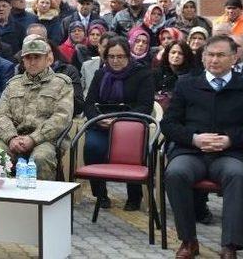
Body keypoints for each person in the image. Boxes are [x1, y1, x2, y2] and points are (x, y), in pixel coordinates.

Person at [161, 35, 243, 259]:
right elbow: (168, 124)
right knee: (175, 173)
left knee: (238, 175)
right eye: (210, 55)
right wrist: (194, 138)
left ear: (234, 57)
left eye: (220, 55)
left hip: (229, 154)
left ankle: (230, 245)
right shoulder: (187, 84)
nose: (214, 60)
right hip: (191, 152)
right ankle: (189, 241)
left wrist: (230, 139)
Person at [83, 36, 154, 211]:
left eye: (120, 56)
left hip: (130, 125)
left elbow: (145, 106)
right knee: (92, 147)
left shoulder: (143, 74)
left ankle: (134, 196)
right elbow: (89, 103)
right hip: (102, 123)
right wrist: (99, 119)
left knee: (132, 150)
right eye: (111, 57)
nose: (115, 61)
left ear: (128, 57)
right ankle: (101, 194)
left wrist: (120, 121)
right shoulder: (101, 74)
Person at [0, 37, 74, 180]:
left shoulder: (61, 84)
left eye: (37, 57)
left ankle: (40, 202)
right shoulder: (13, 84)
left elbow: (61, 118)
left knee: (40, 159)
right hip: (13, 139)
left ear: (48, 59)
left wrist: (33, 139)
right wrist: (11, 138)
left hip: (46, 141)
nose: (32, 62)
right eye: (28, 58)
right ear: (23, 61)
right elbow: (0, 115)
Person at [152, 41, 194, 111]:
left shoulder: (191, 77)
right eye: (173, 52)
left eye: (180, 53)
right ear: (167, 54)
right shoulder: (156, 73)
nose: (176, 56)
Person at [81, 31, 116, 97]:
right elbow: (80, 93)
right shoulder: (87, 66)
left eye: (111, 47)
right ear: (99, 47)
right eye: (105, 46)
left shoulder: (125, 68)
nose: (108, 50)